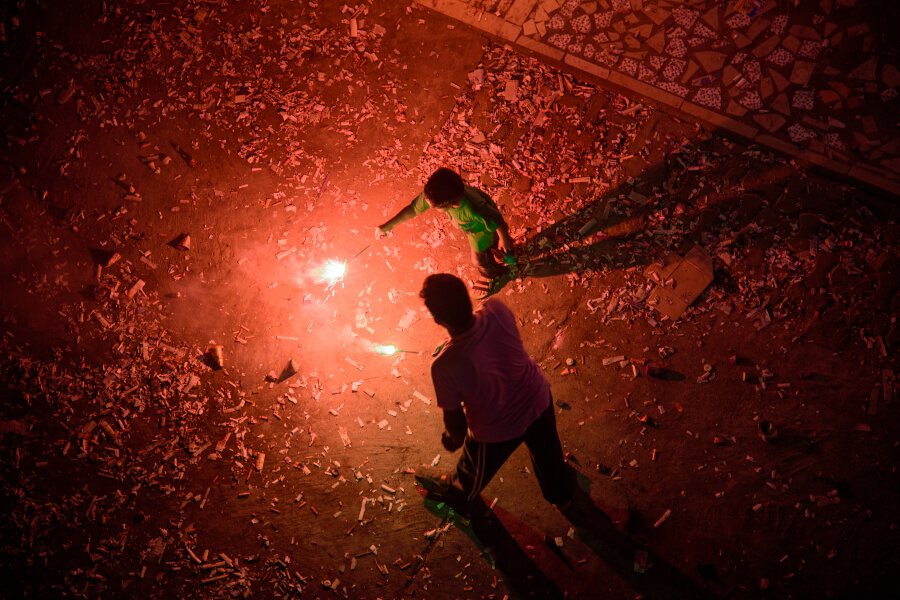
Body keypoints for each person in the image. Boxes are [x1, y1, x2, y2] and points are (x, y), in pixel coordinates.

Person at [415, 273, 574, 517]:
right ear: (469, 298)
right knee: (548, 456)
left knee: (472, 471)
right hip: (537, 399)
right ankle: (563, 498)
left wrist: (452, 439)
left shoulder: (444, 366)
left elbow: (456, 425)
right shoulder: (496, 309)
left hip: (496, 429)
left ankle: (458, 493)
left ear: (437, 320)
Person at [377, 167, 515, 298]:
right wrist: (386, 226)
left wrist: (506, 238)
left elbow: (496, 218)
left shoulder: (472, 209)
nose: (428, 205)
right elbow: (413, 210)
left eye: (434, 207)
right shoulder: (437, 192)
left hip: (481, 232)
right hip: (478, 224)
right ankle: (503, 251)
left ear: (452, 205)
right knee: (496, 246)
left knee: (479, 258)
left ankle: (490, 273)